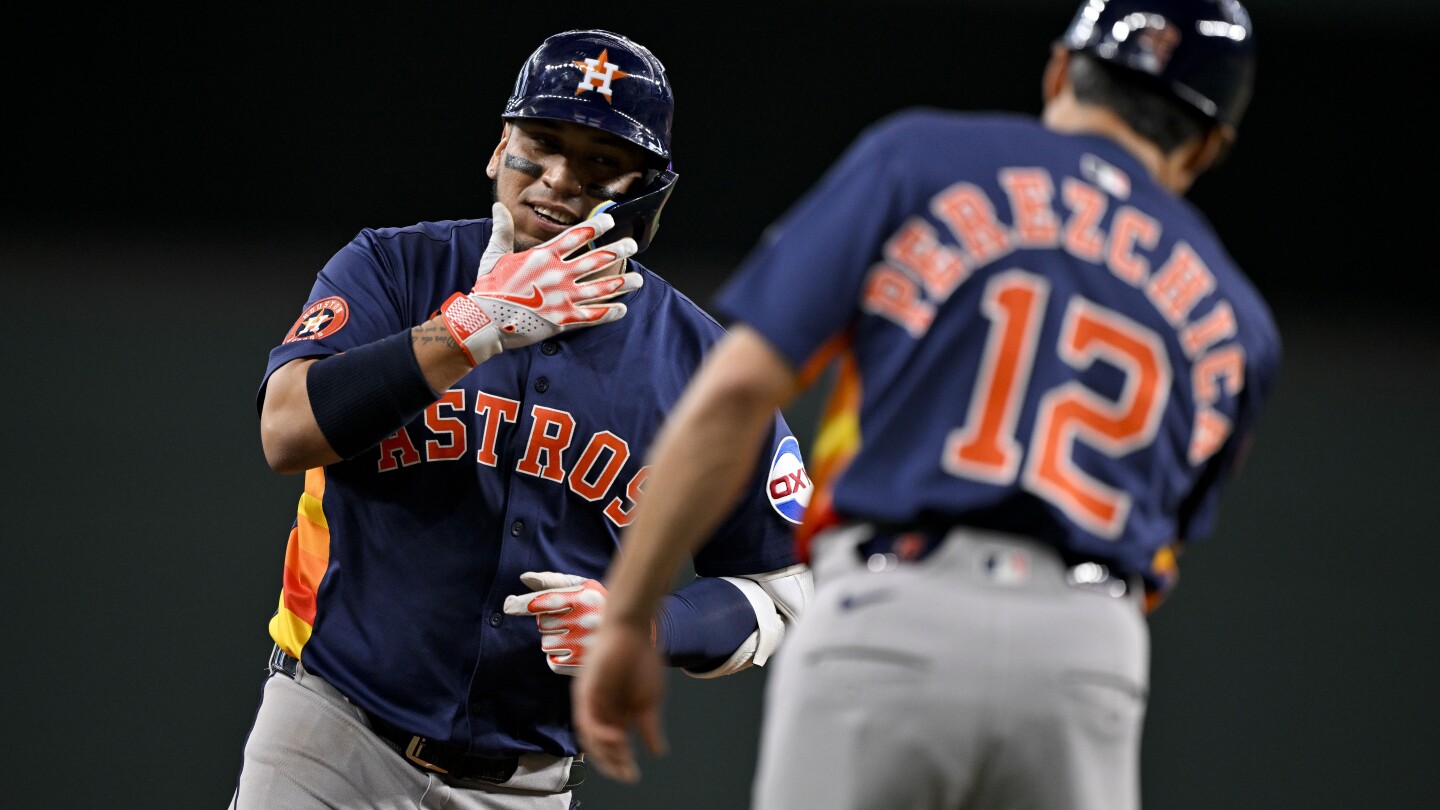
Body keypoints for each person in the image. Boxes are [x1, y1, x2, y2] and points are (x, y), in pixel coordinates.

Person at [573, 1, 1280, 808]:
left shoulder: (923, 159)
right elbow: (1167, 545)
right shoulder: (1240, 317)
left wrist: (630, 615)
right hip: (1088, 647)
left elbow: (735, 391)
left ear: (1059, 69)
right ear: (1211, 143)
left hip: (893, 611)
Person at [227, 29, 813, 810]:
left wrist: (647, 625)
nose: (560, 180)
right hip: (330, 735)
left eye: (601, 160)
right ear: (500, 147)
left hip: (523, 786)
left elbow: (785, 588)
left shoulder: (702, 363)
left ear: (647, 193)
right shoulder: (395, 269)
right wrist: (470, 327)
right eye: (542, 143)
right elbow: (286, 429)